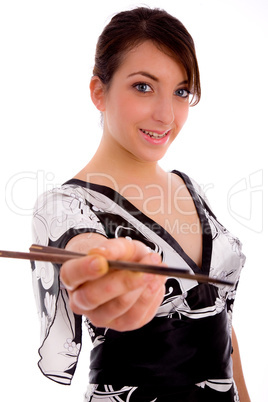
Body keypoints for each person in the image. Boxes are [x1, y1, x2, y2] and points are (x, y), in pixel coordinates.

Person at [31, 6, 250, 401]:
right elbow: (87, 254)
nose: (166, 115)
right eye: (143, 87)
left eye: (181, 92)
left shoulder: (190, 187)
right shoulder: (64, 205)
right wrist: (111, 270)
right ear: (99, 91)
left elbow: (223, 327)